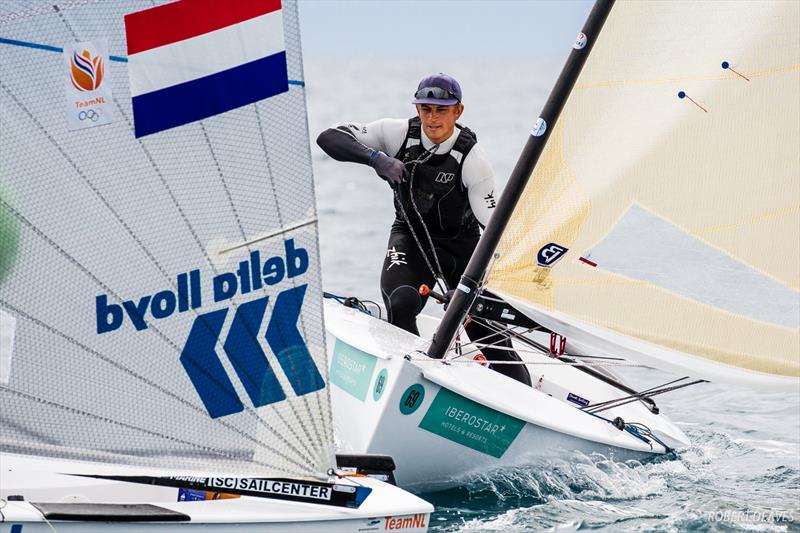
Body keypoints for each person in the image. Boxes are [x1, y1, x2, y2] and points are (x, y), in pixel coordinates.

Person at [317, 73, 531, 386]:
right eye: (426, 109)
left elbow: (493, 225)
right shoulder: (396, 134)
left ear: (458, 111)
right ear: (417, 109)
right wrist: (376, 158)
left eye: (441, 110)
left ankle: (522, 395)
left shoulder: (473, 160)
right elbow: (329, 137)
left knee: (488, 335)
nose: (432, 118)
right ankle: (414, 383)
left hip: (463, 250)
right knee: (401, 302)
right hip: (411, 239)